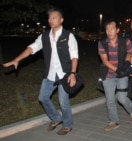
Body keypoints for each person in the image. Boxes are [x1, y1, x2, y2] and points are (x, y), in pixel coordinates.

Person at [3, 7, 79, 135]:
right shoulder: (44, 37)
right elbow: (31, 48)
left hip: (64, 74)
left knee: (63, 101)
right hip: (50, 73)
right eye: (49, 18)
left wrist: (72, 73)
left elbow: (74, 56)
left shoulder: (69, 36)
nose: (51, 20)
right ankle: (56, 118)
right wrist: (17, 59)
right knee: (43, 97)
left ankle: (67, 124)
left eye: (54, 17)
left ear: (61, 20)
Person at [98, 18, 132, 132]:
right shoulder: (102, 43)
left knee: (122, 98)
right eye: (107, 29)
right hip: (108, 75)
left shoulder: (125, 41)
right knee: (110, 100)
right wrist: (117, 69)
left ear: (117, 30)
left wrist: (127, 64)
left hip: (122, 75)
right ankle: (114, 121)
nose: (109, 31)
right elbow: (105, 61)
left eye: (112, 29)